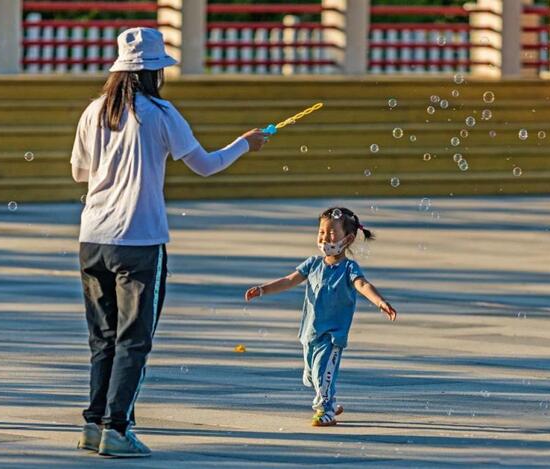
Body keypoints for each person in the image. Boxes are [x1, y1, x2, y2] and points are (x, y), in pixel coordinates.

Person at [71, 27, 267, 458]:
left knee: (102, 338)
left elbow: (79, 173)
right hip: (139, 239)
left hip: (92, 239)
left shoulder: (94, 111)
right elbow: (206, 166)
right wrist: (244, 144)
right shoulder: (160, 113)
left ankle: (93, 423)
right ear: (154, 72)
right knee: (134, 340)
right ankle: (117, 430)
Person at [245, 207, 398, 427]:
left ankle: (326, 411)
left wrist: (380, 301)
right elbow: (289, 280)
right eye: (321, 233)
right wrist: (262, 289)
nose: (325, 238)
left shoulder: (349, 268)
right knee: (310, 376)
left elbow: (362, 285)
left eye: (332, 234)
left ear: (348, 239)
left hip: (332, 335)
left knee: (322, 372)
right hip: (310, 333)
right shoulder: (313, 264)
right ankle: (330, 399)